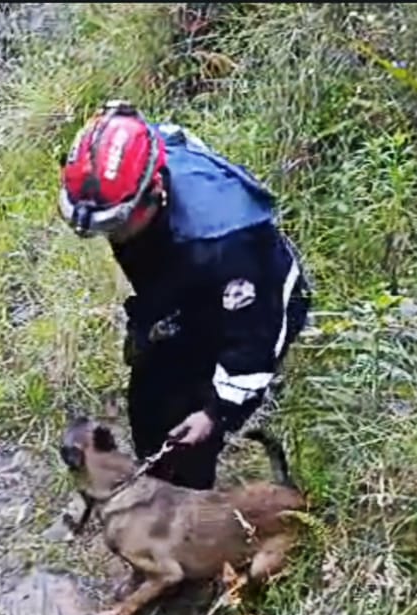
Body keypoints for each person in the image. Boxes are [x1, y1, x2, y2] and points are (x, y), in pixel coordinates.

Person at [57, 99, 312, 491]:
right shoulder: (140, 157)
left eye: (117, 223)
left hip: (251, 309)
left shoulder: (228, 240)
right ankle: (158, 483)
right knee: (150, 406)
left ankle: (192, 524)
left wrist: (214, 412)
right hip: (186, 287)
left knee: (190, 435)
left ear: (154, 189)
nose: (113, 235)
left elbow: (253, 339)